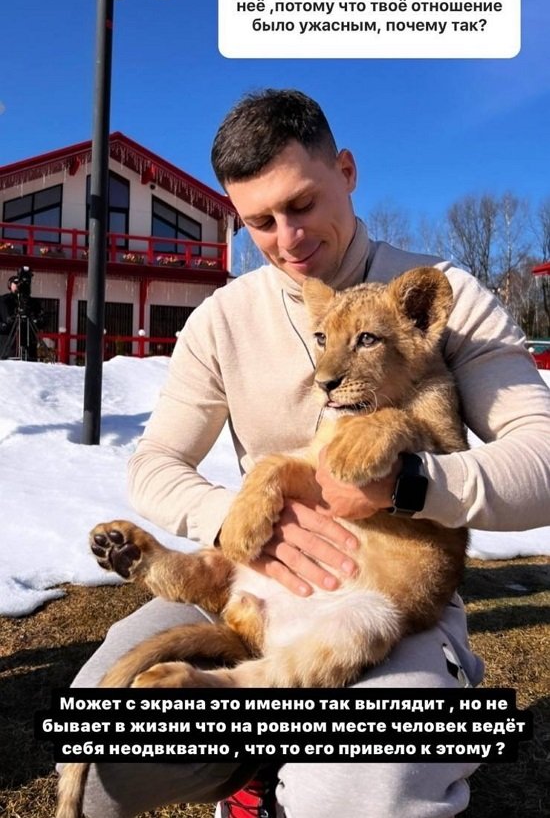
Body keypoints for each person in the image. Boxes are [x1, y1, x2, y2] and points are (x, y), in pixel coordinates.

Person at [68, 89, 550, 818]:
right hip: (261, 583)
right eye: (259, 221)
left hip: (386, 594)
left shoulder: (441, 293)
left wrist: (410, 485)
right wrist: (242, 521)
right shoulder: (221, 319)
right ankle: (261, 758)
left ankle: (347, 750)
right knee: (106, 759)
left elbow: (542, 459)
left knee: (364, 786)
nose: (287, 238)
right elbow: (155, 461)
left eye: (301, 204)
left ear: (347, 171)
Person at [0, 273, 44, 360]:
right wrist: (4, 325)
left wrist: (36, 321)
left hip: (29, 343)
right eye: (16, 282)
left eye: (21, 283)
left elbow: (43, 319)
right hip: (7, 343)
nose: (18, 285)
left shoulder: (32, 302)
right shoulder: (3, 301)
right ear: (10, 285)